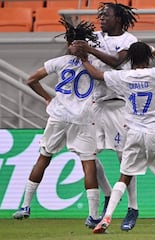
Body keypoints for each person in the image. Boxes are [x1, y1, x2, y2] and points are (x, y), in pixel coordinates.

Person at [75, 41, 155, 234]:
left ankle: (106, 217)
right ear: (149, 58)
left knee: (125, 176)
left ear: (130, 59)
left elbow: (96, 74)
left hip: (133, 134)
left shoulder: (123, 76)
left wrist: (82, 58)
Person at [12, 18, 103, 226]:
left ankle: (25, 206)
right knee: (88, 164)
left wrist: (47, 97)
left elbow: (30, 80)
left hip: (59, 115)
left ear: (69, 42)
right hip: (84, 118)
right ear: (87, 42)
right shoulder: (95, 63)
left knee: (43, 158)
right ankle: (93, 216)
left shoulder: (59, 62)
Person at [73, 2, 139, 231]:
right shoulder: (93, 37)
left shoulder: (128, 40)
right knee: (87, 154)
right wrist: (76, 47)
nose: (101, 18)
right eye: (100, 15)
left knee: (125, 158)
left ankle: (133, 207)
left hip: (119, 106)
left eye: (107, 15)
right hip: (96, 104)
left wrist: (88, 51)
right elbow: (74, 54)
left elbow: (116, 61)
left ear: (119, 19)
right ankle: (110, 194)